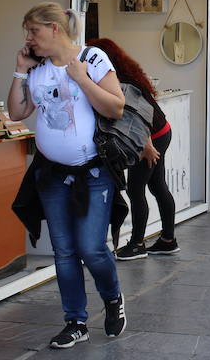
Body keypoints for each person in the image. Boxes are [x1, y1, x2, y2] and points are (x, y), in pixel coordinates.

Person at [8, 2, 127, 349]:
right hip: (53, 175)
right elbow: (17, 112)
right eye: (28, 32)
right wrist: (19, 71)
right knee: (64, 251)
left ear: (55, 29)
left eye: (34, 31)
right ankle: (75, 320)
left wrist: (81, 80)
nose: (29, 39)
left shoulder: (92, 59)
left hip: (93, 173)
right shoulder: (38, 68)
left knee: (91, 248)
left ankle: (113, 297)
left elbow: (115, 107)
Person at [78, 39, 179, 262]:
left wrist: (146, 146)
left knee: (136, 189)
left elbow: (136, 118)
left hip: (150, 138)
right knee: (157, 185)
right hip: (160, 132)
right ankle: (168, 240)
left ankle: (137, 244)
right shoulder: (126, 75)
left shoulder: (119, 83)